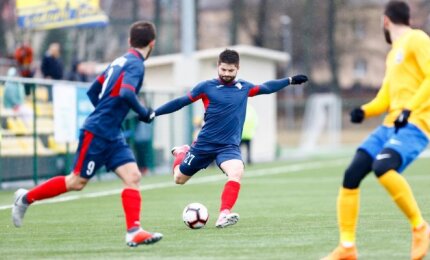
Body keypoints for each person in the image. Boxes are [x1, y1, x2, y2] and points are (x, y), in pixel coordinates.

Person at [12, 21, 162, 248]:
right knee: (76, 181)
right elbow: (127, 93)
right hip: (99, 130)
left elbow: (93, 91)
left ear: (130, 41)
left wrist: (108, 114)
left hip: (111, 131)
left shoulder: (119, 61)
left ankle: (133, 231)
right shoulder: (137, 65)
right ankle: (25, 198)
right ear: (152, 43)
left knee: (133, 176)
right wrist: (143, 113)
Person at [322, 1, 430, 259]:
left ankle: (420, 227)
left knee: (383, 167)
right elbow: (386, 97)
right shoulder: (393, 54)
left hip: (416, 124)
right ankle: (347, 247)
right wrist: (365, 111)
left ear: (385, 20)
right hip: (389, 126)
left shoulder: (417, 39)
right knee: (352, 175)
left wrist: (409, 109)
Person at [154, 49, 308, 228]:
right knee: (178, 179)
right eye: (223, 70)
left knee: (236, 172)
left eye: (230, 71)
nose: (226, 74)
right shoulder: (206, 87)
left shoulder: (244, 87)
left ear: (237, 69)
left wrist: (289, 81)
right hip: (204, 145)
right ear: (218, 67)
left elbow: (266, 87)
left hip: (228, 146)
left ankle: (223, 214)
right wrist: (154, 113)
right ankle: (182, 152)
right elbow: (180, 102)